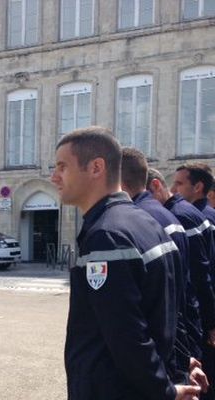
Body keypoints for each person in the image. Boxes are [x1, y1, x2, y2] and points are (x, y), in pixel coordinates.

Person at [51, 126, 200, 399]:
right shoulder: (146, 222)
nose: (54, 177)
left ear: (96, 167)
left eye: (62, 166)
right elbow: (170, 309)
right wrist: (180, 366)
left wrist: (164, 391)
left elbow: (127, 336)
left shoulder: (106, 236)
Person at [121, 148, 203, 384]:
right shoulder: (168, 215)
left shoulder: (142, 218)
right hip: (184, 324)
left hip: (168, 338)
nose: (175, 190)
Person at [148, 167, 215, 394]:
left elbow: (198, 275)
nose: (174, 188)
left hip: (196, 315)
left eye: (179, 184)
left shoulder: (182, 216)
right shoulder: (196, 213)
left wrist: (210, 321)